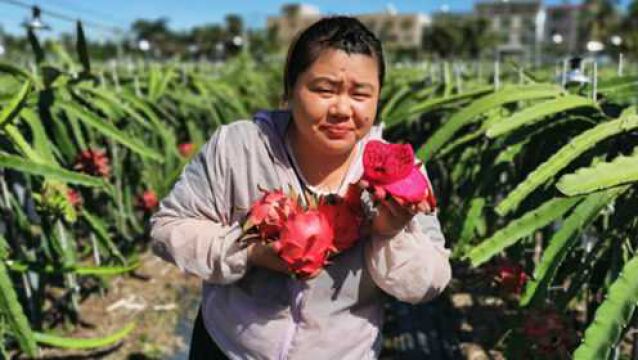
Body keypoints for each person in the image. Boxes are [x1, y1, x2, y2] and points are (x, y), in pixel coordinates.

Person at [150, 16, 452, 360]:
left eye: (360, 94)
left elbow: (431, 280)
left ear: (378, 97)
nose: (341, 109)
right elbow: (167, 228)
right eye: (324, 89)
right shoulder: (238, 148)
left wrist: (391, 234)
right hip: (228, 348)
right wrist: (249, 252)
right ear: (289, 90)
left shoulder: (399, 176)